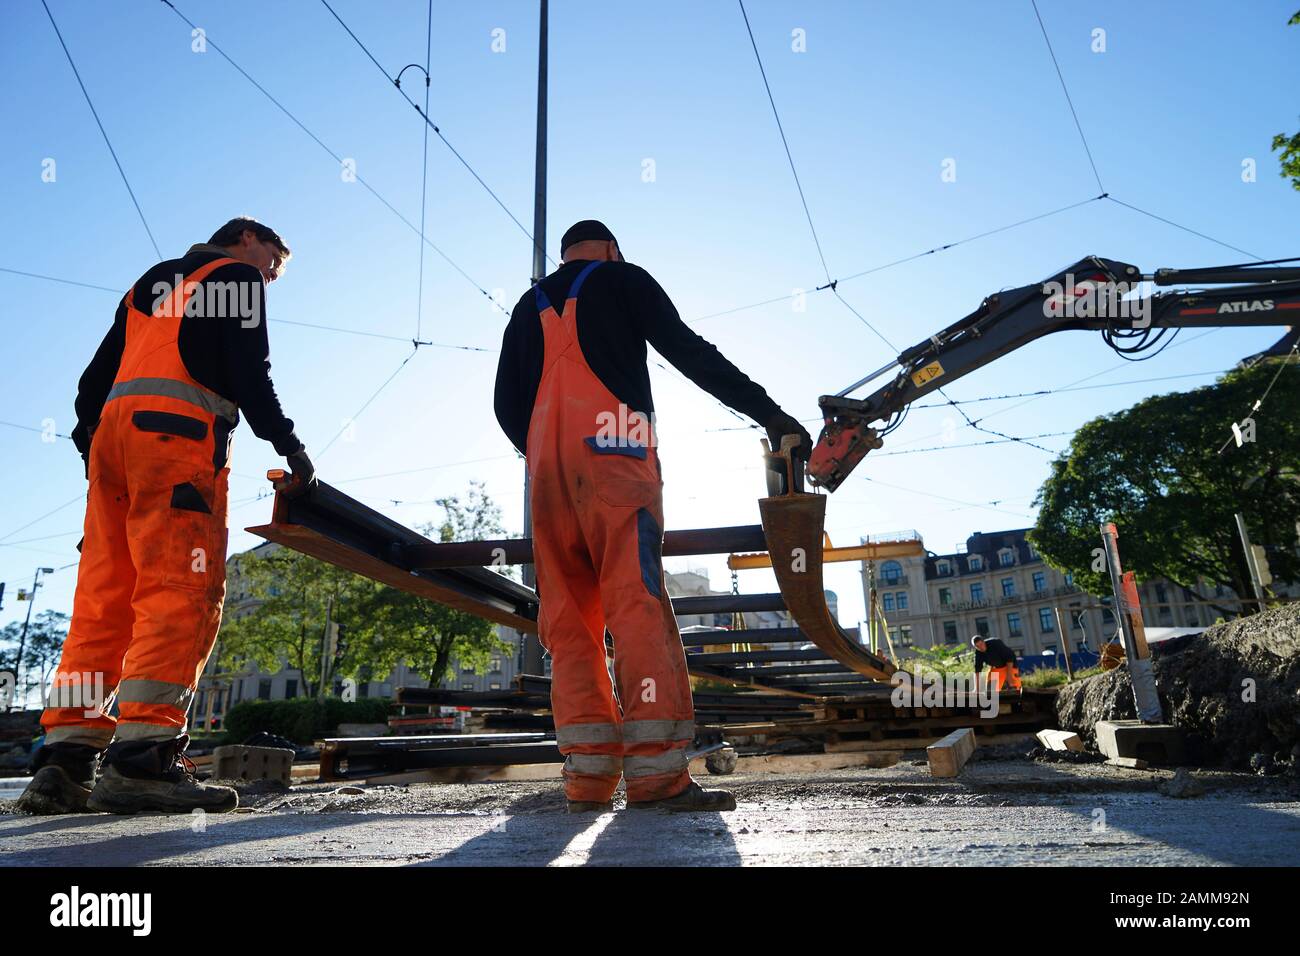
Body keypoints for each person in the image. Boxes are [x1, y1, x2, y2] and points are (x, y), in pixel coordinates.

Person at [494, 220, 810, 813]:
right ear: (611, 250)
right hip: (616, 456)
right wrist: (772, 415)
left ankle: (586, 780)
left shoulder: (524, 305)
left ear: (564, 258)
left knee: (567, 618)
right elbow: (690, 353)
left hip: (546, 478)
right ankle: (657, 776)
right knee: (635, 605)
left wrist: (541, 447)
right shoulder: (623, 279)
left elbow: (504, 404)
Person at [18, 217, 314, 815]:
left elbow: (92, 381)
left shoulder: (152, 281)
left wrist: (92, 445)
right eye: (273, 266)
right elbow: (250, 372)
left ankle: (65, 759)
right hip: (175, 447)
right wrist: (290, 446)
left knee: (103, 599)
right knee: (179, 590)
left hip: (112, 448)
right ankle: (143, 760)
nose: (270, 278)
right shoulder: (235, 276)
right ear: (248, 239)